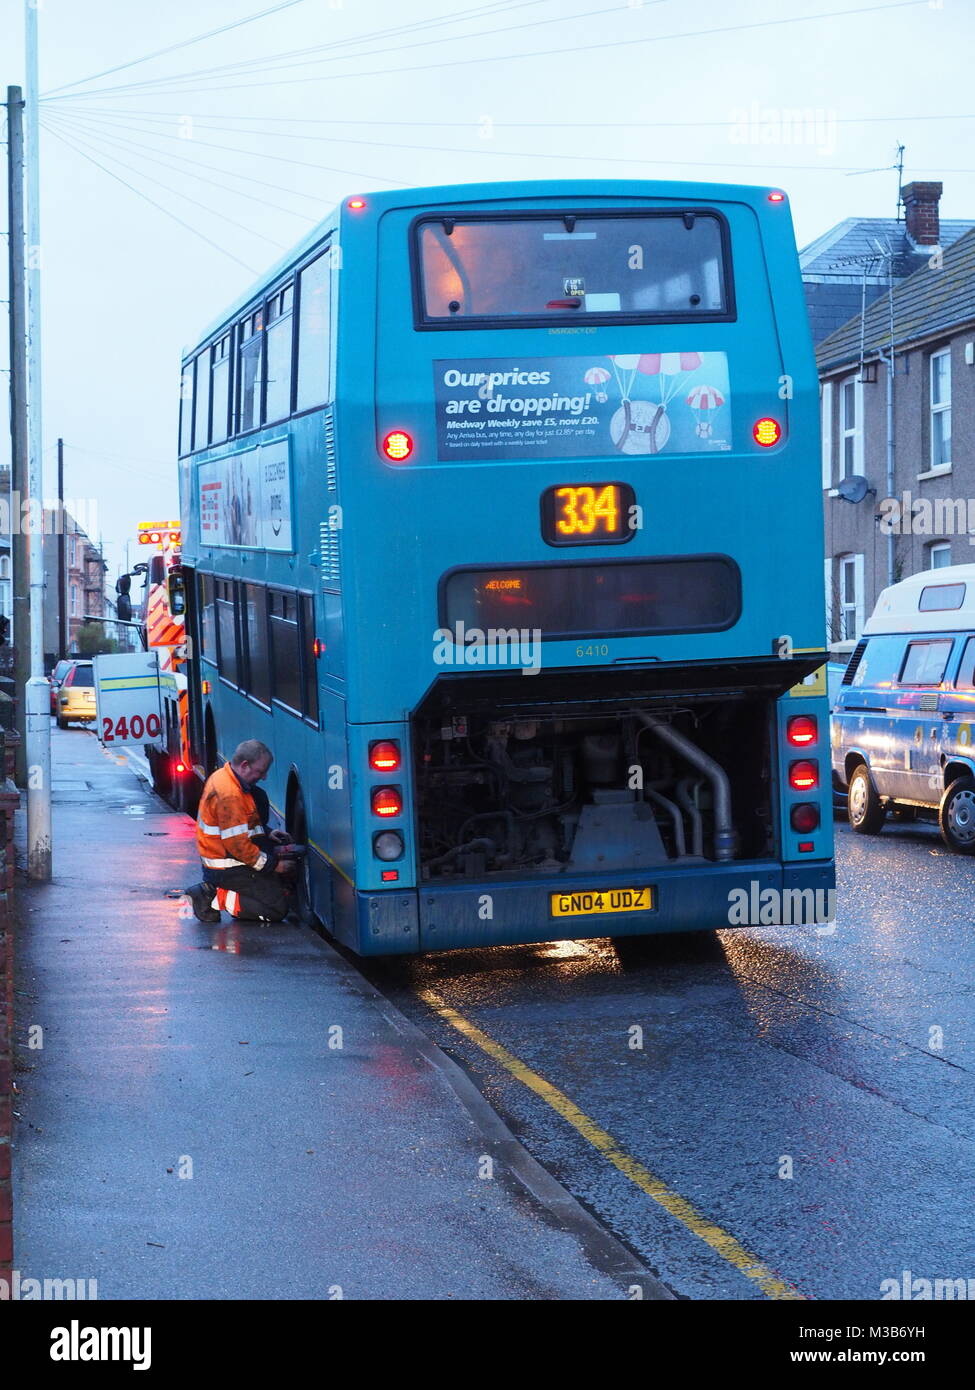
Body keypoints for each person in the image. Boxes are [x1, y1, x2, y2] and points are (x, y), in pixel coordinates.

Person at [184, 739, 297, 924]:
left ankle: (222, 893)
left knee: (273, 886)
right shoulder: (229, 794)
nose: (264, 777)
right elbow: (238, 846)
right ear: (245, 765)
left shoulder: (225, 776)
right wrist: (273, 866)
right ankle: (213, 897)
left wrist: (267, 833)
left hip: (228, 859)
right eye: (260, 771)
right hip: (226, 867)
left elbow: (240, 825)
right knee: (276, 909)